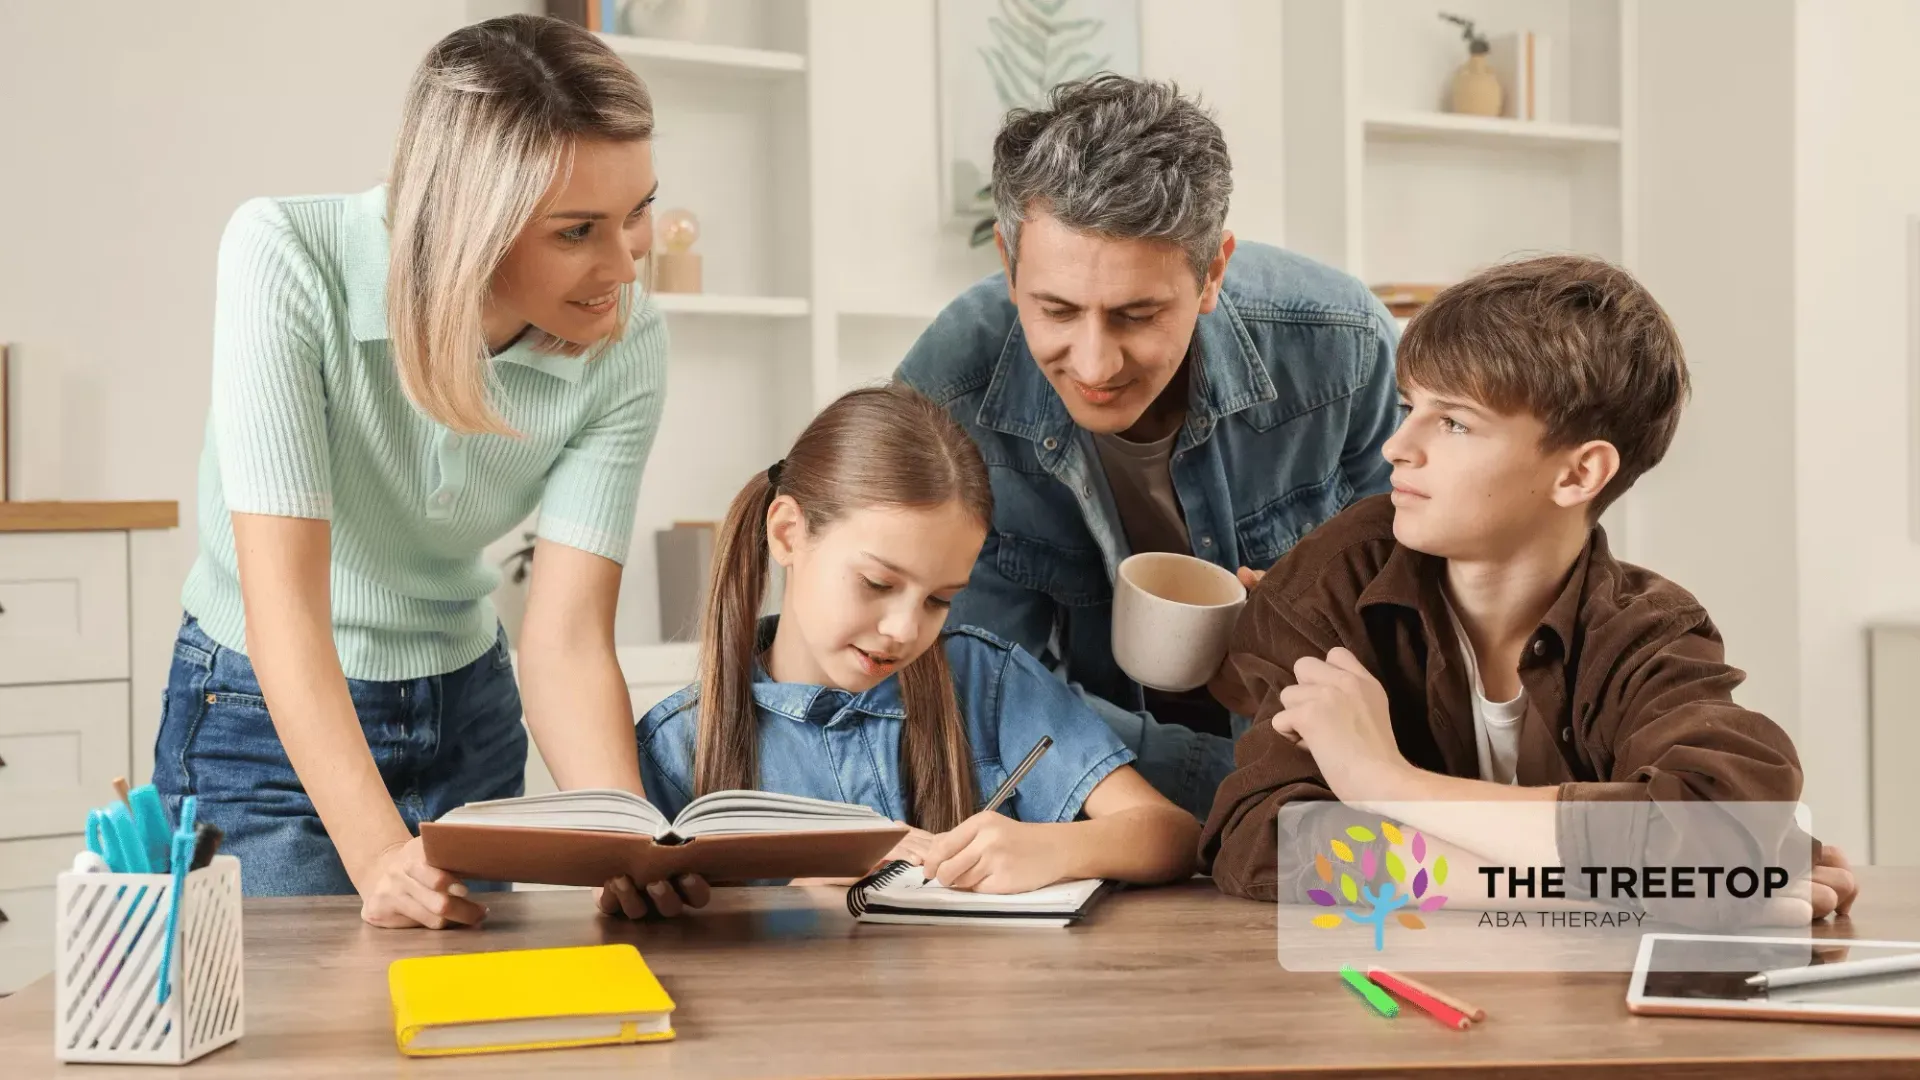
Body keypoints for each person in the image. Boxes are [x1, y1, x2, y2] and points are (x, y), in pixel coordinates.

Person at [155, 15, 705, 927]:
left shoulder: (629, 340)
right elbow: (284, 608)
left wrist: (627, 839)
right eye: (578, 231)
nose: (623, 265)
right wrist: (377, 856)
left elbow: (565, 640)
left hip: (467, 708)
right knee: (305, 1048)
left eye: (637, 211)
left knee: (466, 1041)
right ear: (471, 225)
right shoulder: (285, 258)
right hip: (261, 712)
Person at [1199, 254, 1860, 921]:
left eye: (1454, 422)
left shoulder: (1648, 630)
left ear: (1578, 475)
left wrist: (1387, 785)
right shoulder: (1338, 576)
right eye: (1410, 407)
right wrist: (1613, 889)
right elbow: (1267, 837)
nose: (1397, 446)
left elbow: (1721, 830)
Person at [897, 75, 1400, 821]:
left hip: (1323, 776)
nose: (1095, 365)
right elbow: (981, 691)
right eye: (1057, 310)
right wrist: (1220, 790)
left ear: (1212, 273)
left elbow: (1419, 616)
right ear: (1008, 262)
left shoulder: (1339, 348)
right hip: (1101, 803)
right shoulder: (948, 393)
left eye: (1137, 315)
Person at [636, 385, 1199, 892]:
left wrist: (1053, 849)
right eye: (877, 583)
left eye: (938, 599)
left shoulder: (986, 683)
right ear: (788, 534)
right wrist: (794, 899)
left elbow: (1169, 834)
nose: (905, 630)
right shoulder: (679, 746)